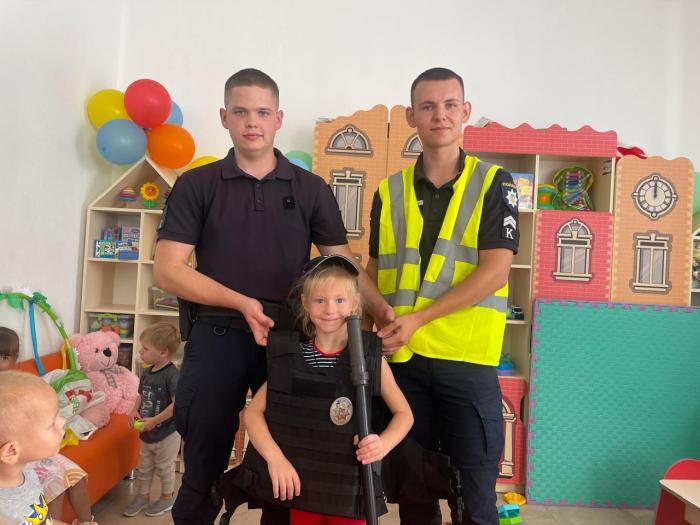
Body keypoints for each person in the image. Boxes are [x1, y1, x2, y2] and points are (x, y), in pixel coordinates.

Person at [154, 68, 393, 524]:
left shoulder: (310, 189)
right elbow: (168, 270)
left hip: (290, 341)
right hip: (217, 337)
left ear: (279, 118)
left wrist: (381, 311)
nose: (252, 122)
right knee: (203, 460)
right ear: (224, 117)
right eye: (241, 111)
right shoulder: (197, 185)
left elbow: (342, 263)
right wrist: (242, 303)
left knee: (289, 463)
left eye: (263, 112)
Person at [366, 68, 520, 525]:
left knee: (474, 501)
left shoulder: (494, 183)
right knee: (414, 496)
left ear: (465, 111)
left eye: (450, 105)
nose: (440, 115)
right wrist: (376, 314)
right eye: (428, 106)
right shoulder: (388, 192)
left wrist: (417, 319)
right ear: (411, 116)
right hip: (403, 364)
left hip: (466, 362)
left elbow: (496, 271)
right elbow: (373, 272)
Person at [240, 254, 413, 525]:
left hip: (350, 491)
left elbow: (405, 414)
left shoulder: (369, 358)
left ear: (355, 303)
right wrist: (275, 459)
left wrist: (383, 444)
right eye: (320, 300)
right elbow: (252, 414)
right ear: (305, 303)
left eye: (340, 300)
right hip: (302, 486)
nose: (330, 309)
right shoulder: (290, 357)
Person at [0, 327, 96, 525]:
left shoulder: (27, 475)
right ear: (11, 451)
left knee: (72, 477)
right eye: (51, 423)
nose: (62, 421)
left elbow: (44, 521)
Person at [123, 322, 181, 518]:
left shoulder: (172, 375)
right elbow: (141, 395)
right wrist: (134, 410)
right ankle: (142, 496)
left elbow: (176, 405)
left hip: (168, 433)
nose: (140, 352)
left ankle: (167, 497)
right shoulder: (147, 372)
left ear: (163, 352)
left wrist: (155, 420)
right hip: (147, 431)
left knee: (164, 467)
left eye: (146, 348)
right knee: (145, 466)